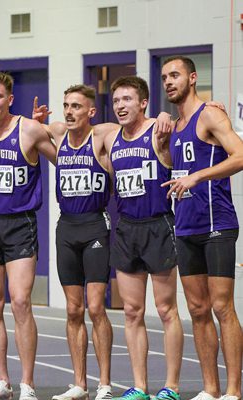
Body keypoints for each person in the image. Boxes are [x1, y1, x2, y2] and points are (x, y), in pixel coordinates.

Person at [0, 71, 56, 400]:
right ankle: (2, 381)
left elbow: (66, 156)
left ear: (9, 99)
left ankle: (27, 384)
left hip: (20, 223)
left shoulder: (28, 129)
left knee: (20, 302)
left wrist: (47, 126)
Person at [161, 56, 243, 400]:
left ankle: (233, 391)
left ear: (192, 78)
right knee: (197, 309)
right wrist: (163, 144)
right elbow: (173, 165)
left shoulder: (210, 113)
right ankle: (210, 388)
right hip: (186, 225)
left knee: (223, 306)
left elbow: (239, 155)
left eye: (175, 75)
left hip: (217, 224)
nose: (168, 81)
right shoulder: (175, 125)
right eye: (164, 76)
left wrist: (199, 176)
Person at [103, 76, 184, 400]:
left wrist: (170, 115)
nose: (121, 105)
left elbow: (190, 124)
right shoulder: (110, 138)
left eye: (127, 100)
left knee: (166, 310)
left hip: (158, 226)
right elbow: (63, 129)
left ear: (143, 103)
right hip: (126, 229)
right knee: (132, 312)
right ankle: (139, 386)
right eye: (117, 100)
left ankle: (172, 387)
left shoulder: (161, 130)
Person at [32, 85, 114, 400]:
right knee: (72, 309)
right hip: (66, 227)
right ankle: (80, 383)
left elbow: (136, 127)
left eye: (77, 106)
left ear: (91, 111)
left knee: (95, 307)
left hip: (95, 226)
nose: (69, 111)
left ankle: (104, 383)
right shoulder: (58, 133)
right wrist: (35, 119)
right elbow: (29, 131)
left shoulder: (102, 136)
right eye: (66, 105)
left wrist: (162, 116)